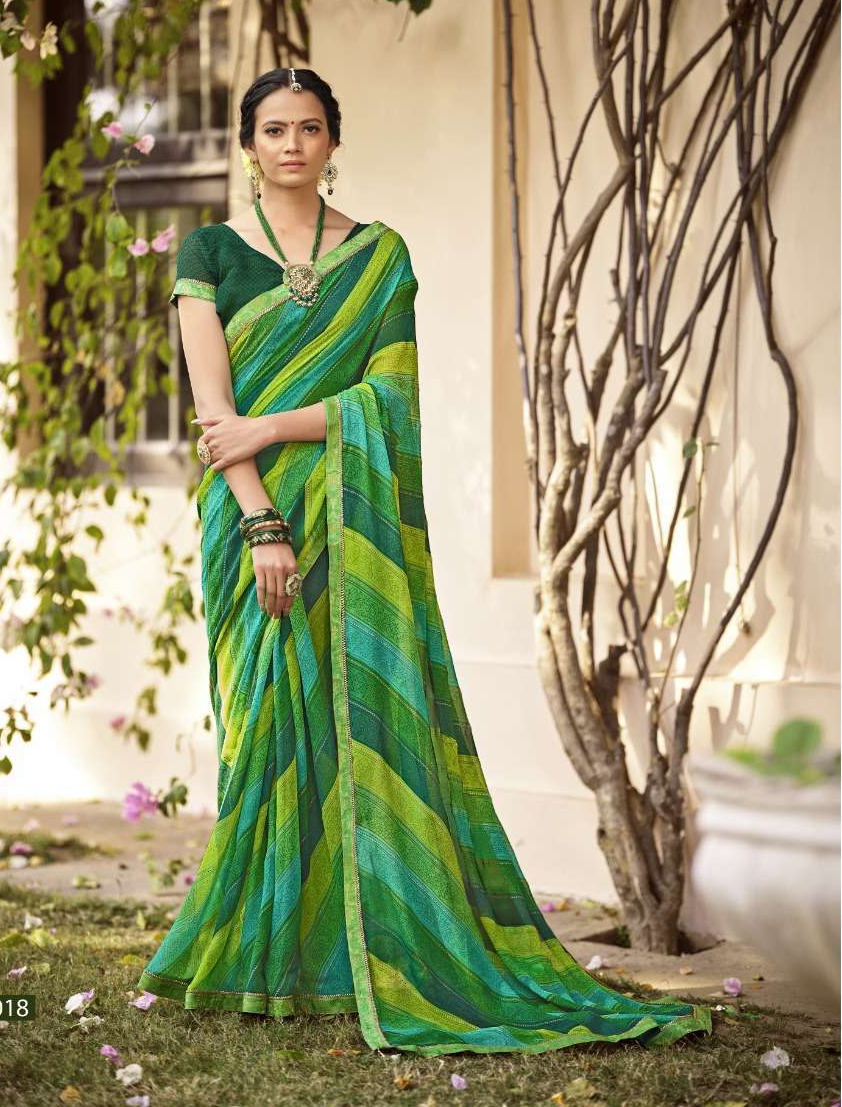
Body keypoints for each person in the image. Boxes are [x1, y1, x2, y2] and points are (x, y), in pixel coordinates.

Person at [136, 67, 712, 1056]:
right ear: (247, 144)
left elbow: (390, 403)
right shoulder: (211, 252)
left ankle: (363, 953)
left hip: (351, 522)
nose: (290, 144)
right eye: (272, 129)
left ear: (332, 139)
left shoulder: (379, 256)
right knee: (267, 729)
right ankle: (270, 955)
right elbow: (214, 415)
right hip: (251, 517)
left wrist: (273, 423)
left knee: (353, 719)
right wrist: (263, 522)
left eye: (308, 127)